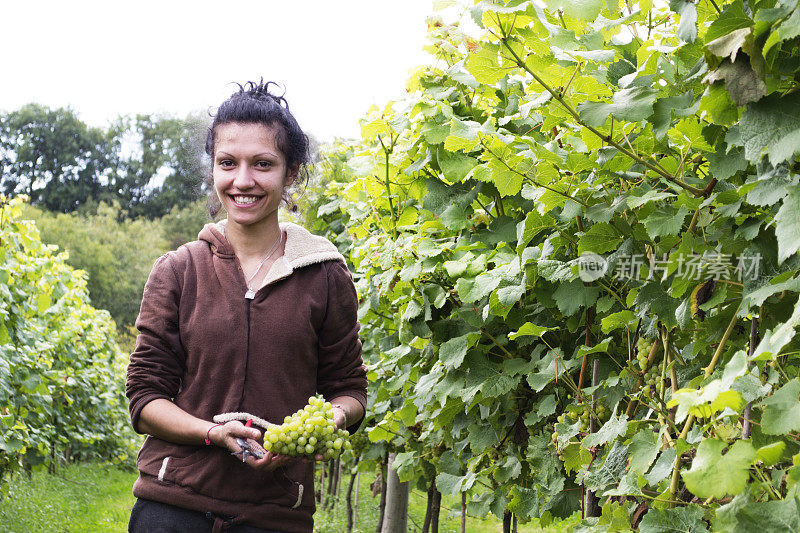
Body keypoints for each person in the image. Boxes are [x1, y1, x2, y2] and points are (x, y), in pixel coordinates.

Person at [126, 81, 368, 533]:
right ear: (213, 169)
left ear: (290, 172)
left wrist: (334, 417)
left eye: (262, 164)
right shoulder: (177, 270)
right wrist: (211, 433)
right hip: (171, 506)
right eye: (227, 163)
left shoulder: (325, 275)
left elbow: (350, 390)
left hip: (274, 515)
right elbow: (144, 399)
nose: (242, 181)